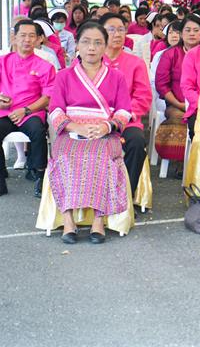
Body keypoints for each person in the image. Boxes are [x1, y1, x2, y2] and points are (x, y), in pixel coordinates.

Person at [47, 22, 132, 244]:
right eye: (86, 42)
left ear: (105, 47)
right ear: (77, 45)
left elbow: (124, 110)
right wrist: (76, 127)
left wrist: (106, 127)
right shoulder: (64, 75)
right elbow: (55, 109)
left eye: (97, 43)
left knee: (101, 156)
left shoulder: (116, 77)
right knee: (64, 156)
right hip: (72, 131)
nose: (91, 48)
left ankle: (98, 219)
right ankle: (68, 219)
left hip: (104, 131)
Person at [0, 19, 56, 198]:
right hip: (4, 111)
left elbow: (48, 96)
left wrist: (27, 110)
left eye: (32, 36)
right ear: (14, 38)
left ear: (39, 40)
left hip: (30, 111)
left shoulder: (45, 66)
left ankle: (39, 175)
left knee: (38, 132)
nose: (27, 40)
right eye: (22, 35)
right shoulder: (1, 61)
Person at [100, 13, 152, 197]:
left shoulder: (135, 63)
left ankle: (125, 197)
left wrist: (123, 116)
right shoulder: (88, 61)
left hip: (126, 122)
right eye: (111, 29)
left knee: (137, 142)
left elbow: (143, 96)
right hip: (94, 121)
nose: (117, 34)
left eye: (121, 29)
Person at [155, 17, 200, 123]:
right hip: (177, 105)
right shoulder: (170, 54)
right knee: (178, 120)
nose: (192, 34)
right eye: (188, 30)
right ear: (181, 34)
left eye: (196, 30)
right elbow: (162, 85)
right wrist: (179, 104)